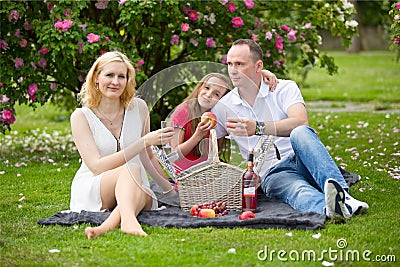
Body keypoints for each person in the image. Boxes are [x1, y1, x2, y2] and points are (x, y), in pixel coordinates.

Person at [212, 39, 369, 220]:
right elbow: (203, 133)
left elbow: (301, 122)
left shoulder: (283, 88)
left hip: (304, 158)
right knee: (297, 191)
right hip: (273, 172)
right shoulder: (225, 106)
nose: (232, 70)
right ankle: (332, 209)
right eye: (230, 64)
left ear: (258, 66)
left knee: (300, 132)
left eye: (240, 64)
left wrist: (257, 127)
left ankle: (344, 196)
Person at [69, 51, 176, 238]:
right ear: (96, 78)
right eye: (109, 75)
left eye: (122, 76)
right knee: (132, 168)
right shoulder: (81, 116)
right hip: (97, 186)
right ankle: (128, 220)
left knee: (146, 193)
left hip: (135, 184)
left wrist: (169, 190)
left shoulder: (139, 108)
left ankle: (107, 226)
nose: (115, 82)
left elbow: (148, 156)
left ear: (128, 80)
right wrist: (143, 142)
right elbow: (96, 166)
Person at [169, 71, 278, 172]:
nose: (208, 94)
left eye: (216, 94)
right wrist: (198, 135)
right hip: (185, 175)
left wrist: (262, 74)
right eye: (206, 88)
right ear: (199, 87)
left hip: (207, 174)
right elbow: (174, 155)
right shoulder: (183, 111)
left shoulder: (218, 117)